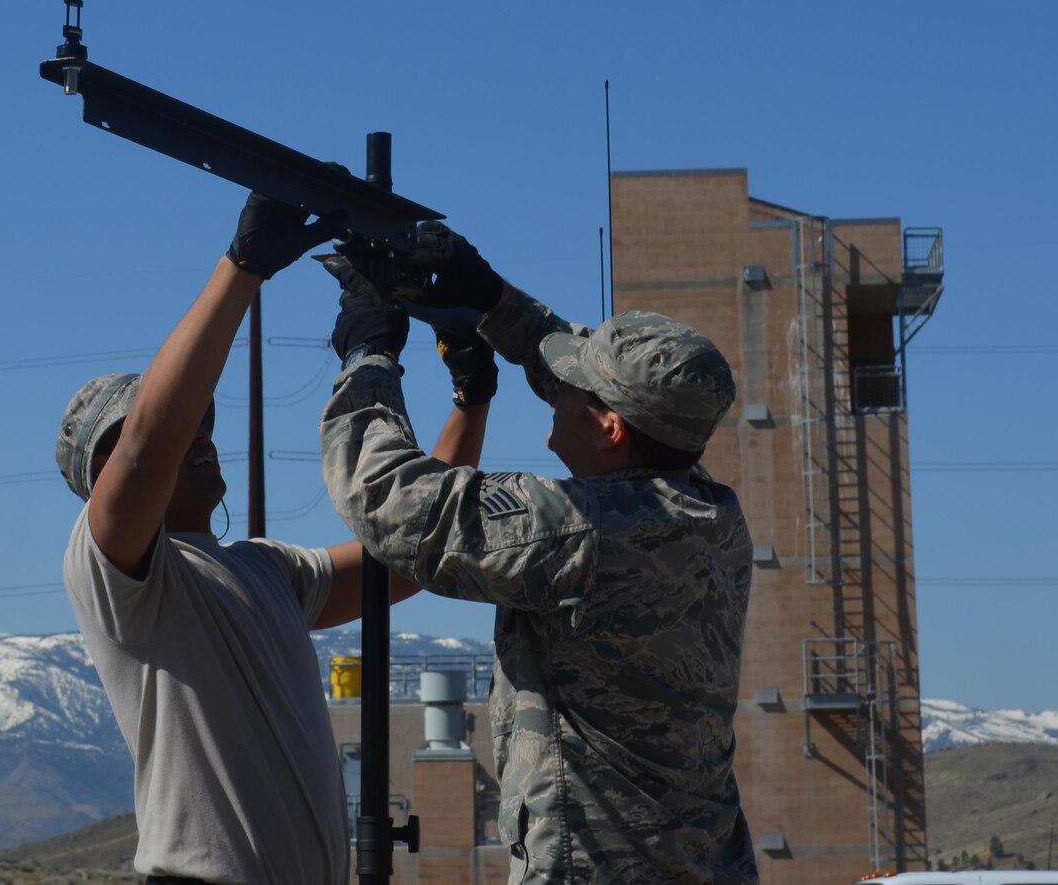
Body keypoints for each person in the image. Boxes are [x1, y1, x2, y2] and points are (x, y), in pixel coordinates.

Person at [57, 193, 496, 885]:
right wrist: (244, 267)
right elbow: (146, 444)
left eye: (203, 421)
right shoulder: (115, 574)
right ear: (100, 481)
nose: (196, 436)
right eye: (181, 426)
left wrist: (471, 394)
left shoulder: (267, 569)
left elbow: (413, 554)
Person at [317, 226, 758, 884]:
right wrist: (492, 300)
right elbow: (591, 374)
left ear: (610, 427)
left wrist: (368, 354)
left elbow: (391, 500)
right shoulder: (714, 516)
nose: (556, 388)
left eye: (571, 388)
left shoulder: (578, 528)